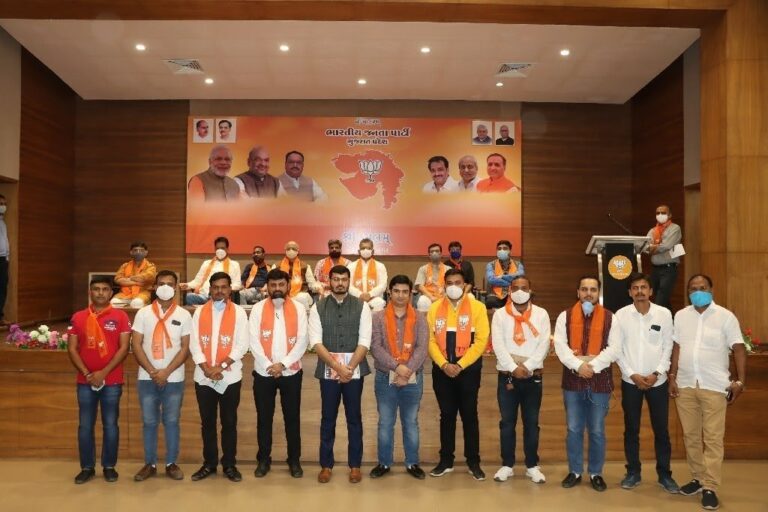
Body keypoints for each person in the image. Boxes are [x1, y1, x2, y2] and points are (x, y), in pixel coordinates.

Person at [669, 274, 747, 511]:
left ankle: (710, 486)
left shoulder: (725, 316)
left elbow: (739, 348)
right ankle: (698, 478)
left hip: (714, 386)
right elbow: (677, 347)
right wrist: (672, 376)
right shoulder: (681, 316)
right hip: (685, 384)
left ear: (711, 290)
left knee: (713, 438)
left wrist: (740, 381)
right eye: (693, 288)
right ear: (688, 292)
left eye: (702, 287)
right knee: (691, 436)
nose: (697, 291)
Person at [613, 273, 679, 493]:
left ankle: (665, 475)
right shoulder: (621, 315)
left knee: (661, 430)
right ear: (630, 292)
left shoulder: (664, 314)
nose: (640, 291)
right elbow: (617, 349)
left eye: (643, 287)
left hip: (657, 382)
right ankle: (633, 472)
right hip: (630, 381)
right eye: (635, 288)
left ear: (650, 291)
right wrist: (632, 374)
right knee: (631, 430)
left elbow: (668, 346)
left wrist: (657, 373)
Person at [553, 275, 619, 492]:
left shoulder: (610, 317)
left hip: (600, 382)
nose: (588, 293)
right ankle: (575, 471)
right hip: (573, 381)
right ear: (578, 292)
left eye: (593, 289)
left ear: (598, 293)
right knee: (573, 429)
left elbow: (614, 348)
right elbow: (560, 346)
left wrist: (592, 366)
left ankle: (596, 473)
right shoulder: (565, 316)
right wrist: (578, 366)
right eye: (584, 289)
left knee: (597, 430)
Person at [308, 265, 372, 484]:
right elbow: (316, 342)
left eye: (344, 279)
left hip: (354, 371)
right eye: (336, 279)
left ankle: (355, 466)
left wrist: (349, 368)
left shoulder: (362, 306)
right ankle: (326, 465)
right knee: (328, 418)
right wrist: (338, 368)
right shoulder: (318, 307)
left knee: (354, 419)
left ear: (349, 281)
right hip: (328, 372)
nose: (340, 283)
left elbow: (365, 341)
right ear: (329, 281)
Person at [66, 276, 131, 484]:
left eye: (104, 289)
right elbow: (72, 349)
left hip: (112, 381)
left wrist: (103, 373)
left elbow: (124, 348)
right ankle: (87, 467)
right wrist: (88, 374)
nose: (100, 292)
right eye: (96, 289)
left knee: (110, 425)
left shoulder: (120, 316)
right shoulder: (78, 317)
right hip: (85, 382)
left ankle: (109, 466)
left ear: (111, 293)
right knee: (85, 426)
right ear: (90, 292)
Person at [427, 268, 490, 480]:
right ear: (444, 286)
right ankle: (446, 461)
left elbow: (481, 340)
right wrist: (444, 364)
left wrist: (460, 365)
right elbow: (430, 341)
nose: (454, 286)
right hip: (442, 370)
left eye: (458, 283)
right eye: (450, 283)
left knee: (469, 415)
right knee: (446, 416)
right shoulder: (434, 308)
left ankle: (473, 462)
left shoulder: (478, 307)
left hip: (468, 371)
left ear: (465, 285)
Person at [130, 270, 191, 482]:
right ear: (155, 287)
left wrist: (166, 371)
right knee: (149, 422)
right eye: (161, 283)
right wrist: (152, 371)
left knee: (172, 421)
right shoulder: (143, 313)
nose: (165, 287)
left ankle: (171, 463)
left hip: (174, 379)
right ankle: (150, 464)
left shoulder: (184, 315)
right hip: (147, 378)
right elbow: (136, 344)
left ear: (175, 288)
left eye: (170, 284)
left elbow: (185, 348)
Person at [188, 272, 249, 482]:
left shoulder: (239, 313)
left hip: (229, 377)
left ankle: (229, 465)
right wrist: (206, 368)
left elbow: (242, 345)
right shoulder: (199, 312)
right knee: (207, 423)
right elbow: (194, 343)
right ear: (210, 289)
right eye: (215, 287)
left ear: (230, 289)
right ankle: (209, 464)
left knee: (229, 422)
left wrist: (220, 366)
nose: (219, 291)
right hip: (203, 377)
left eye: (223, 287)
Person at [248, 269, 309, 479]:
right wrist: (269, 365)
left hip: (291, 373)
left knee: (292, 418)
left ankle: (294, 460)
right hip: (263, 373)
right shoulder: (257, 309)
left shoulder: (299, 308)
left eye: (281, 284)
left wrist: (282, 365)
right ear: (267, 287)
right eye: (273, 285)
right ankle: (263, 460)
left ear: (288, 285)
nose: (277, 289)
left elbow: (302, 340)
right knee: (264, 419)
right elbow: (253, 341)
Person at [491, 276, 550, 484]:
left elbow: (544, 344)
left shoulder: (541, 314)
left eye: (524, 288)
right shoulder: (500, 315)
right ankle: (507, 465)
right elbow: (498, 345)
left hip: (533, 377)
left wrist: (528, 366)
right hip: (507, 376)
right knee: (507, 423)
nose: (519, 291)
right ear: (509, 291)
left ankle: (532, 465)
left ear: (530, 290)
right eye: (515, 288)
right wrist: (514, 368)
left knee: (531, 423)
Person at [369, 275, 429, 480]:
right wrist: (397, 367)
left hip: (413, 378)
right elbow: (375, 347)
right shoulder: (378, 318)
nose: (401, 295)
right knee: (385, 422)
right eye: (396, 291)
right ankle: (384, 462)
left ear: (411, 293)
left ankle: (412, 463)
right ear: (389, 292)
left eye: (405, 292)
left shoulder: (420, 318)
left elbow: (422, 348)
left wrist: (407, 370)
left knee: (410, 422)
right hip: (385, 377)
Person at [181, 236, 242, 305]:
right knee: (188, 297)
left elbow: (237, 284)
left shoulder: (234, 264)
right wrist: (187, 285)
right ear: (215, 249)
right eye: (217, 248)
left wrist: (223, 289)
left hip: (222, 296)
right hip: (204, 296)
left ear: (227, 249)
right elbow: (197, 281)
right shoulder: (206, 263)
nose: (220, 250)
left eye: (222, 248)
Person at [647, 205, 682, 311]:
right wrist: (655, 247)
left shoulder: (675, 228)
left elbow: (667, 246)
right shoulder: (653, 230)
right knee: (662, 300)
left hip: (669, 269)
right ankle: (672, 319)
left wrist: (653, 247)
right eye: (658, 213)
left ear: (669, 215)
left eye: (663, 213)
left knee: (660, 301)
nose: (660, 215)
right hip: (655, 269)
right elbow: (645, 247)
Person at [111, 241, 157, 308]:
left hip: (142, 293)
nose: (138, 252)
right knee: (113, 302)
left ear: (146, 252)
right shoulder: (125, 266)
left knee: (136, 303)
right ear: (131, 252)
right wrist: (137, 282)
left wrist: (128, 278)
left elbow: (145, 278)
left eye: (141, 250)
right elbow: (117, 279)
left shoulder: (150, 266)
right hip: (124, 294)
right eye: (135, 250)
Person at [347, 238, 388, 311]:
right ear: (359, 251)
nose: (365, 250)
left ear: (373, 251)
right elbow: (348, 285)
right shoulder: (351, 266)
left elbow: (383, 285)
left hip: (375, 301)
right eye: (363, 248)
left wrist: (370, 294)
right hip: (356, 300)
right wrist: (359, 294)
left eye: (368, 248)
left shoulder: (380, 266)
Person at [278, 240, 321, 311]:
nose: (291, 250)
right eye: (288, 249)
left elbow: (312, 283)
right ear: (285, 251)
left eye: (293, 249)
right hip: (282, 293)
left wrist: (318, 287)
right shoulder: (277, 266)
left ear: (298, 251)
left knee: (302, 298)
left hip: (300, 292)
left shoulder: (305, 266)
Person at [484, 240, 525, 310]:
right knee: (490, 301)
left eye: (505, 248)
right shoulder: (490, 264)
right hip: (496, 296)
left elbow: (520, 275)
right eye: (499, 249)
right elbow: (491, 280)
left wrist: (502, 277)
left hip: (513, 294)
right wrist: (510, 283)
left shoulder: (518, 264)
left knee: (522, 299)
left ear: (510, 251)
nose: (501, 250)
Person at [414, 243, 448, 312]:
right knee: (422, 301)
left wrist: (443, 297)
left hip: (444, 296)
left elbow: (450, 285)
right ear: (429, 255)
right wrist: (431, 297)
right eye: (432, 251)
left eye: (437, 251)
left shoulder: (448, 269)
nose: (434, 253)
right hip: (428, 296)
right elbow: (419, 285)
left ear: (441, 254)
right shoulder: (423, 269)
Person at [0, 194, 10, 326]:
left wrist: (7, 257)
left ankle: (0, 317)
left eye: (4, 204)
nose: (3, 206)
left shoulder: (3, 222)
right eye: (1, 204)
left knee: (2, 288)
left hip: (3, 259)